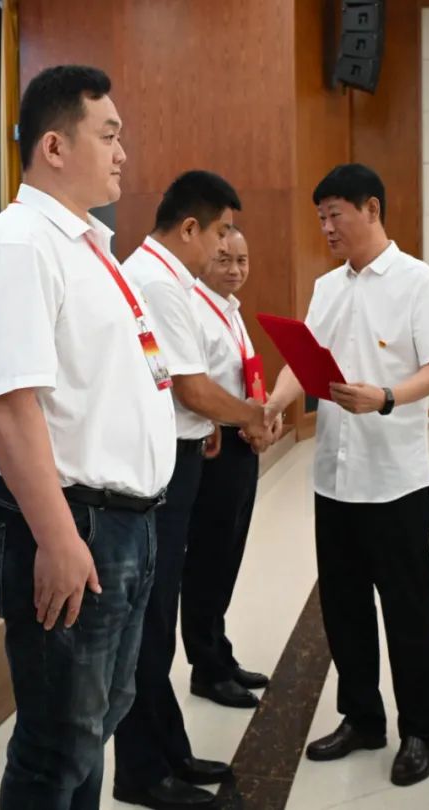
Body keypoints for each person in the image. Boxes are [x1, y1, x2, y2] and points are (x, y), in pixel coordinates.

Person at [0, 65, 175, 810]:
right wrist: (57, 537)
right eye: (108, 135)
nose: (122, 153)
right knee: (58, 743)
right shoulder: (21, 243)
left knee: (96, 722)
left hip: (124, 523)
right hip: (75, 523)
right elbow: (7, 404)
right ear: (54, 146)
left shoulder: (89, 246)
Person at [264, 163, 429, 788]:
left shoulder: (419, 282)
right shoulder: (327, 288)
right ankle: (362, 718)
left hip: (396, 478)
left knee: (407, 609)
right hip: (335, 478)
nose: (326, 227)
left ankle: (421, 731)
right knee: (343, 607)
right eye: (320, 217)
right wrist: (273, 404)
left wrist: (387, 397)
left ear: (371, 209)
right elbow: (302, 362)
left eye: (335, 215)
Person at [112, 171, 273, 809]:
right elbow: (192, 387)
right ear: (189, 228)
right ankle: (143, 770)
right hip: (158, 468)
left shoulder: (163, 277)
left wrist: (204, 426)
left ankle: (168, 753)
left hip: (177, 450)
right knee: (150, 623)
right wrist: (249, 416)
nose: (224, 246)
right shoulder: (158, 282)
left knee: (157, 618)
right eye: (220, 232)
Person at [180, 225, 273, 708]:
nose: (235, 270)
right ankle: (206, 668)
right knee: (207, 560)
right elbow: (195, 389)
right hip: (213, 450)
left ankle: (220, 650)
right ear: (205, 259)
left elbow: (246, 378)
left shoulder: (231, 311)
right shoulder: (194, 309)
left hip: (241, 444)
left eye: (243, 260)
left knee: (229, 555)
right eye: (224, 260)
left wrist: (263, 417)